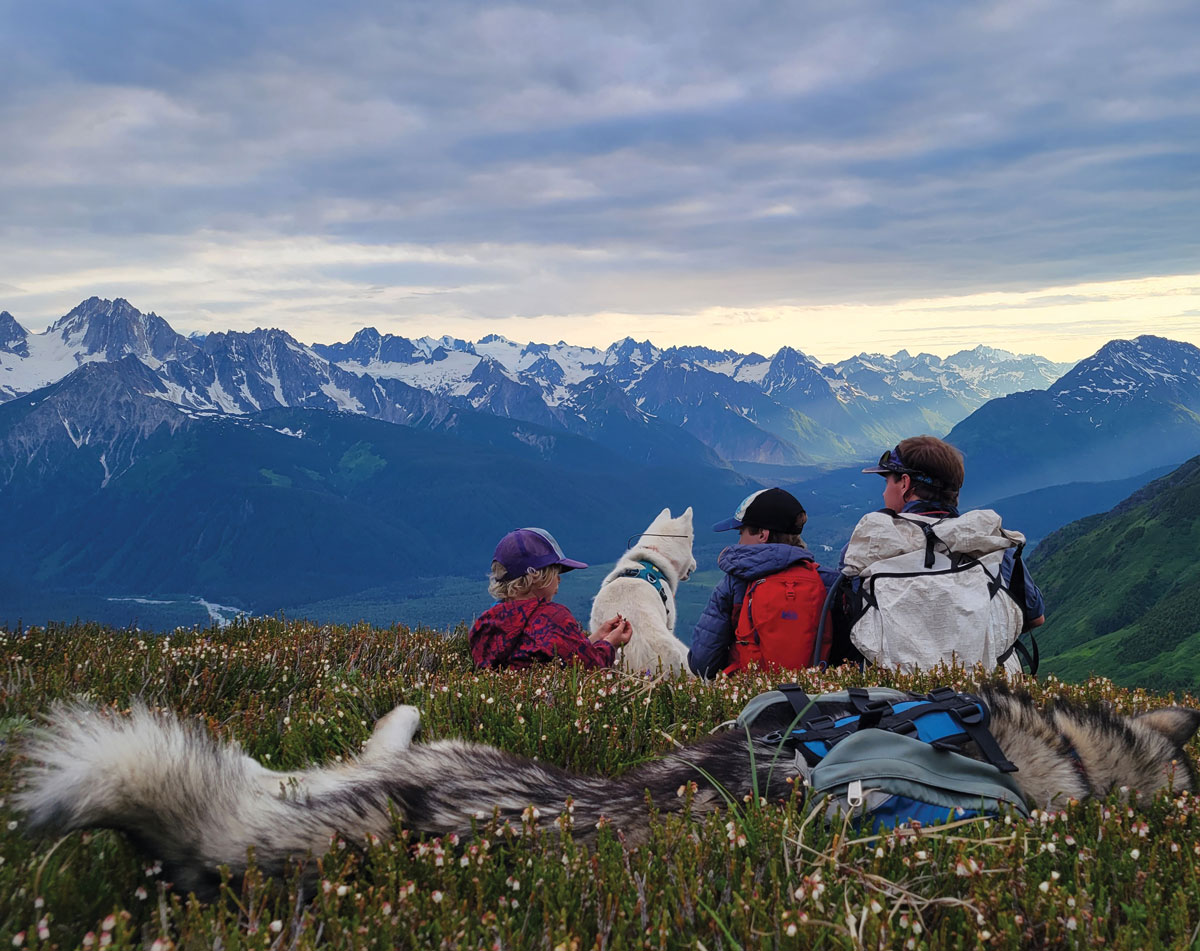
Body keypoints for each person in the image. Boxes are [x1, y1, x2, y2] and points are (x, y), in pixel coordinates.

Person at [842, 435, 1045, 669]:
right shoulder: (991, 544)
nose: (884, 492)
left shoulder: (867, 546)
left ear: (905, 484)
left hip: (895, 695)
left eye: (887, 481)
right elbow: (1035, 617)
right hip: (986, 695)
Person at [688, 488, 842, 678]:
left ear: (762, 535)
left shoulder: (733, 584)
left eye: (741, 532)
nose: (740, 541)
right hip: (815, 698)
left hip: (751, 700)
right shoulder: (828, 581)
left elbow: (702, 663)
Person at [469, 527, 632, 670]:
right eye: (555, 572)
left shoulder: (485, 624)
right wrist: (611, 643)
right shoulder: (554, 618)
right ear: (536, 576)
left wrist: (597, 637)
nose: (559, 579)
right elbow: (590, 666)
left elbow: (548, 652)